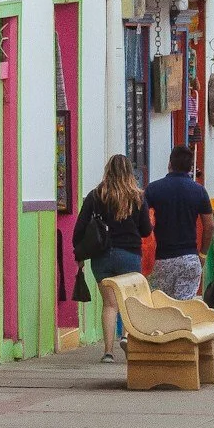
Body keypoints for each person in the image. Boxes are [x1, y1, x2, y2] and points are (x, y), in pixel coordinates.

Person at [71, 154, 152, 362]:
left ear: (108, 171)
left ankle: (108, 352)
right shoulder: (138, 197)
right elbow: (145, 230)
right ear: (129, 172)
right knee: (128, 301)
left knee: (110, 304)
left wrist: (79, 254)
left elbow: (79, 229)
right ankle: (125, 336)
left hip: (102, 256)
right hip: (130, 255)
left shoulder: (96, 196)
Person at [145, 145, 212, 301]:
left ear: (170, 163)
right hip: (189, 258)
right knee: (183, 309)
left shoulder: (153, 189)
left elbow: (142, 220)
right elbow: (209, 225)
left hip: (162, 259)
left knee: (159, 306)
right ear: (190, 167)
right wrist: (203, 253)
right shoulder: (199, 191)